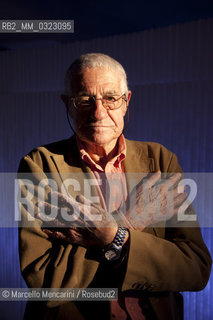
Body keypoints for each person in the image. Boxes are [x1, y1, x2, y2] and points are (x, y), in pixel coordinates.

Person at [18, 53, 212, 320]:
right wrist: (126, 222)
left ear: (126, 102)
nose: (99, 112)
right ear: (67, 104)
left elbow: (196, 269)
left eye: (110, 98)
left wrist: (109, 236)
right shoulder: (39, 165)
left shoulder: (160, 160)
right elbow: (44, 283)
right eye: (84, 100)